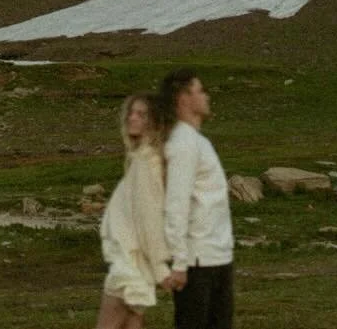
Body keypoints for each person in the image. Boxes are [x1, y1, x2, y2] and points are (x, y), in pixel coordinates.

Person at [159, 67, 234, 328]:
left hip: (217, 255)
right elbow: (176, 204)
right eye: (200, 91)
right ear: (183, 99)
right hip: (197, 260)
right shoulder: (182, 144)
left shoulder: (197, 141)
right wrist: (179, 262)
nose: (206, 96)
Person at [97, 92, 172, 329]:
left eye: (141, 114)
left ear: (154, 122)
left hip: (129, 266)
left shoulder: (146, 163)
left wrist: (160, 268)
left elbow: (149, 219)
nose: (132, 118)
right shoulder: (141, 160)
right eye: (131, 112)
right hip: (136, 266)